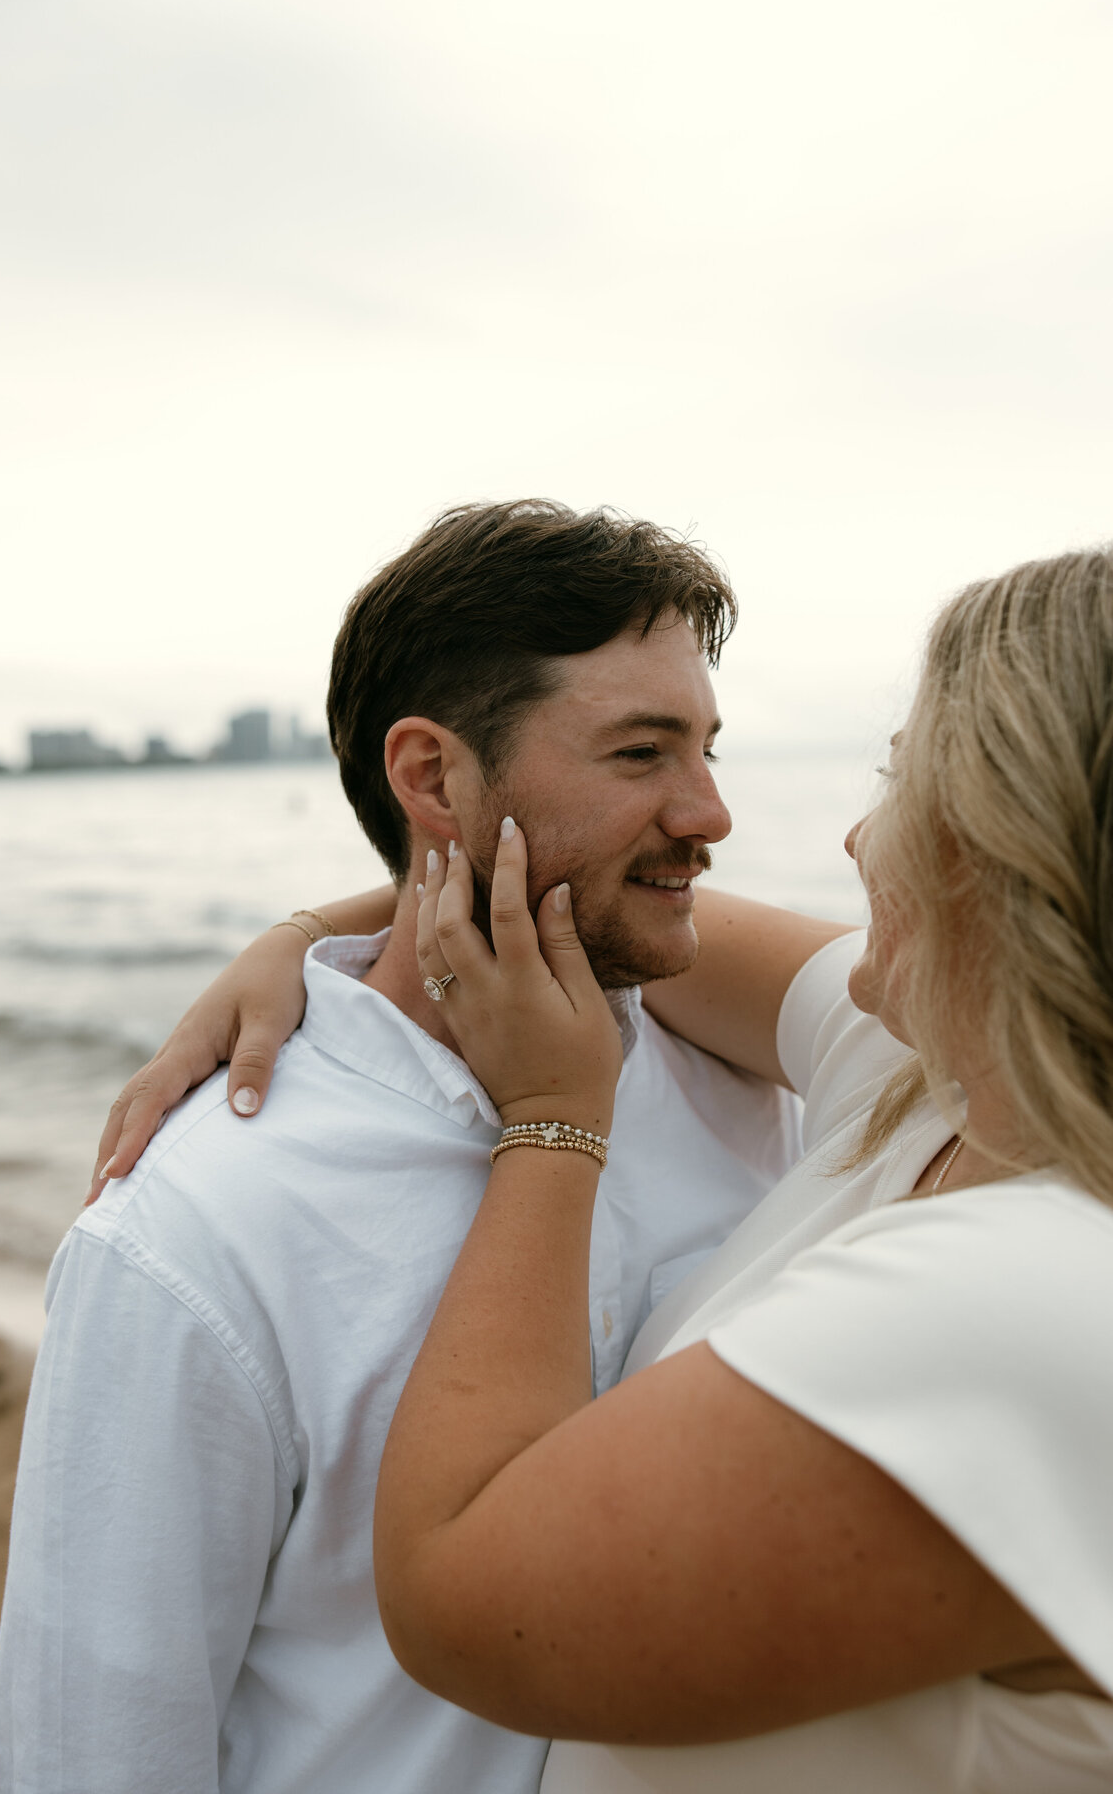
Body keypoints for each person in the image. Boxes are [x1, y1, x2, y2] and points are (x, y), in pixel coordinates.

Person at [103, 546, 1113, 1788]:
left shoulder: (1035, 1288)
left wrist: (553, 1120)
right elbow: (587, 899)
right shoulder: (920, 1083)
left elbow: (458, 1592)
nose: (848, 833)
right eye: (646, 751)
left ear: (1010, 849)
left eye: (905, 778)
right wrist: (312, 929)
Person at [0, 500, 813, 1794]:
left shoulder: (762, 1094)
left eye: (708, 748)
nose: (710, 815)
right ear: (431, 777)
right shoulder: (198, 1230)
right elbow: (97, 1753)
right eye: (643, 753)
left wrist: (346, 913)